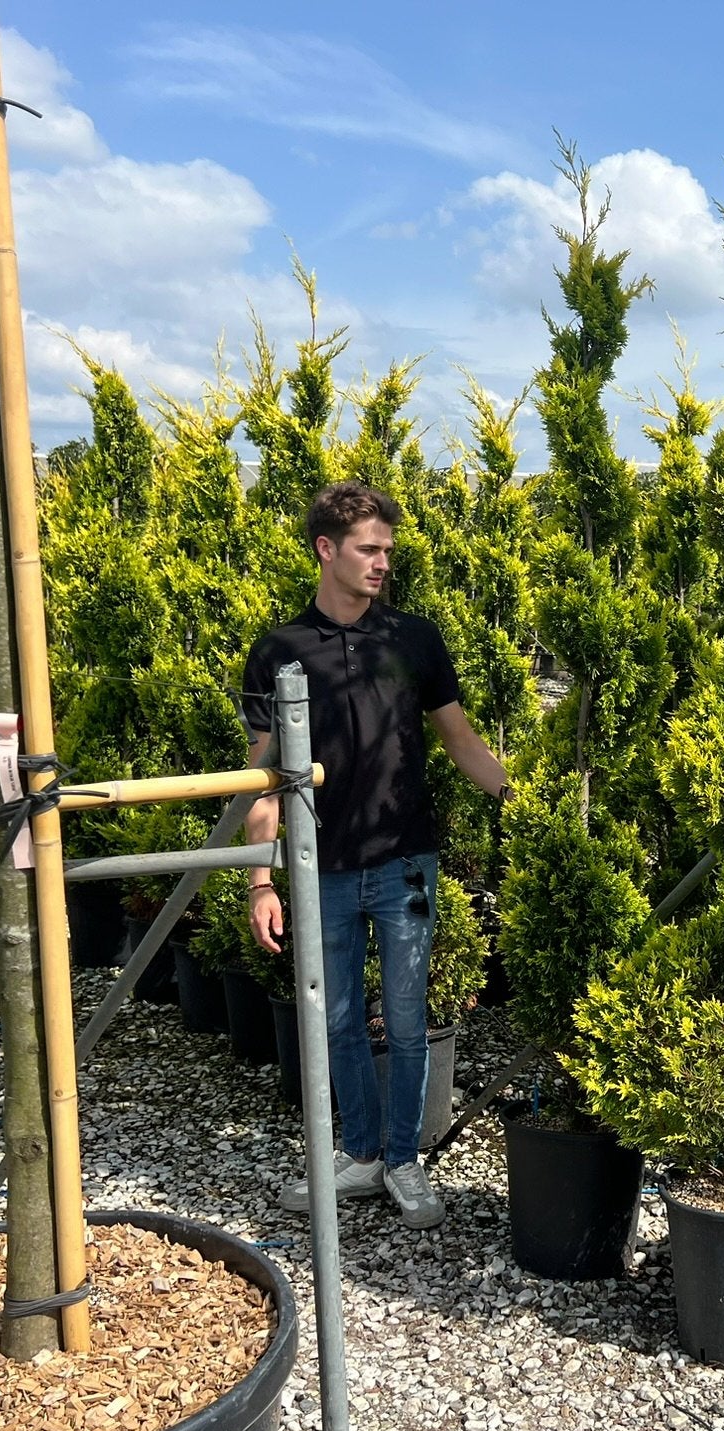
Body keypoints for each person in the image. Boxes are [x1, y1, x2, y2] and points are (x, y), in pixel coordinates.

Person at [241, 480, 508, 1230]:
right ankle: (358, 1152)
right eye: (368, 548)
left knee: (409, 1015)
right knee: (338, 1020)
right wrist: (260, 880)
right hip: (318, 870)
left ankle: (403, 1159)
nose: (382, 561)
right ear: (326, 550)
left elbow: (460, 741)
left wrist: (520, 805)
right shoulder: (280, 652)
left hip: (406, 867)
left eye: (388, 549)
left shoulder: (414, 639)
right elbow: (261, 777)